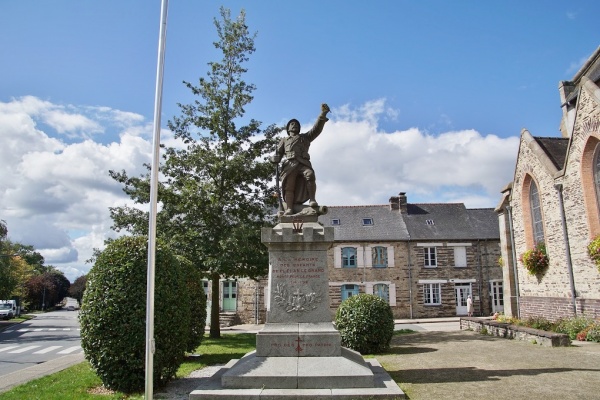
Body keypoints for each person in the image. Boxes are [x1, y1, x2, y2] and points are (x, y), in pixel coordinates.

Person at [271, 103, 330, 215]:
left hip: (303, 162)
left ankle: (312, 200)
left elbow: (316, 129)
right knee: (289, 186)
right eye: (292, 124)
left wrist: (322, 115)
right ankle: (289, 208)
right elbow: (278, 154)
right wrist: (274, 158)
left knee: (310, 175)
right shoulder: (284, 140)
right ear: (288, 128)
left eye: (296, 124)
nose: (294, 125)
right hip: (290, 164)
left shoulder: (305, 137)